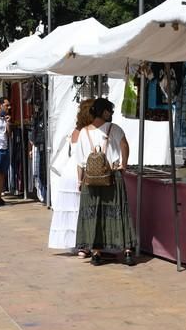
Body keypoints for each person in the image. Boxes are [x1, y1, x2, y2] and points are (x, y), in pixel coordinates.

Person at [75, 98, 136, 266]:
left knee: (94, 214)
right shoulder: (113, 129)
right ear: (104, 112)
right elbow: (124, 145)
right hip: (112, 175)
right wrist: (124, 164)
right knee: (119, 212)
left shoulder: (83, 132)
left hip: (90, 179)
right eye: (110, 110)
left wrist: (79, 180)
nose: (111, 114)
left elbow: (80, 161)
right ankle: (127, 250)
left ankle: (96, 253)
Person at [48, 99, 95, 255]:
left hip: (68, 171)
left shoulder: (75, 131)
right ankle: (84, 245)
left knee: (72, 209)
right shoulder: (89, 132)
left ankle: (75, 243)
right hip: (80, 170)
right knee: (82, 209)